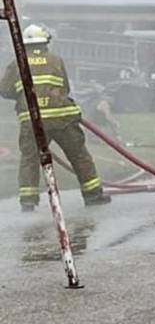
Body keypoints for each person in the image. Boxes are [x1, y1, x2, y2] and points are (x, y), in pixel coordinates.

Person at [0, 24, 110, 211]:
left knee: (29, 160)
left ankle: (28, 203)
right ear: (46, 43)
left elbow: (4, 90)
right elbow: (65, 88)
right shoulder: (56, 60)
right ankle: (93, 195)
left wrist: (23, 95)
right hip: (63, 119)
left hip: (33, 121)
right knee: (79, 156)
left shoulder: (17, 62)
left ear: (24, 43)